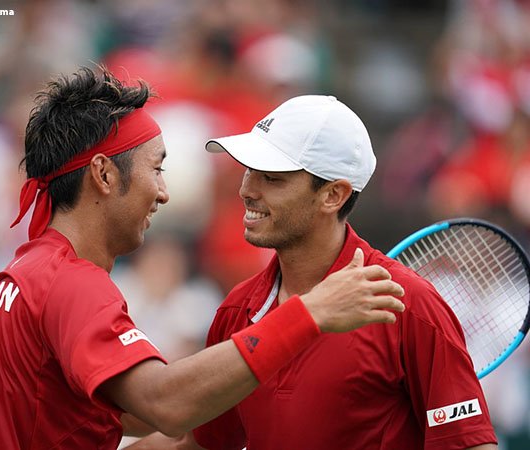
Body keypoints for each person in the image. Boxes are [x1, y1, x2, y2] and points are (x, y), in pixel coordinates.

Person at [0, 67, 407, 449]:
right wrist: (308, 315)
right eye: (157, 168)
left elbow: (132, 417)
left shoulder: (24, 273)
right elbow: (164, 404)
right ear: (104, 174)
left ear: (335, 195)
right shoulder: (71, 284)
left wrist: (258, 378)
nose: (164, 193)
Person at [128, 95, 499, 449]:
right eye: (249, 171)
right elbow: (200, 443)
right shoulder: (236, 309)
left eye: (272, 178)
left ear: (333, 195)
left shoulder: (409, 305)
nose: (247, 190)